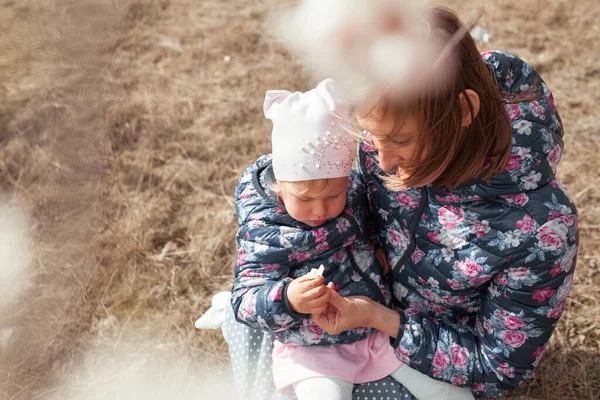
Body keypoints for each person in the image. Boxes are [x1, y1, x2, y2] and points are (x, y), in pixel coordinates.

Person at [310, 6, 579, 399]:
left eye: (400, 140)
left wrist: (381, 319)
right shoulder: (390, 127)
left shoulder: (543, 230)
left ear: (464, 110)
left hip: (436, 365)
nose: (382, 162)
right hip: (361, 316)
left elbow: (495, 367)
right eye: (373, 137)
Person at [229, 78, 473, 400]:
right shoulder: (265, 230)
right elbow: (245, 299)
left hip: (377, 328)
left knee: (450, 393)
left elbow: (375, 225)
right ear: (281, 187)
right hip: (314, 347)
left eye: (333, 195)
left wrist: (378, 251)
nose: (320, 210)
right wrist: (288, 298)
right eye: (304, 199)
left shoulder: (354, 194)